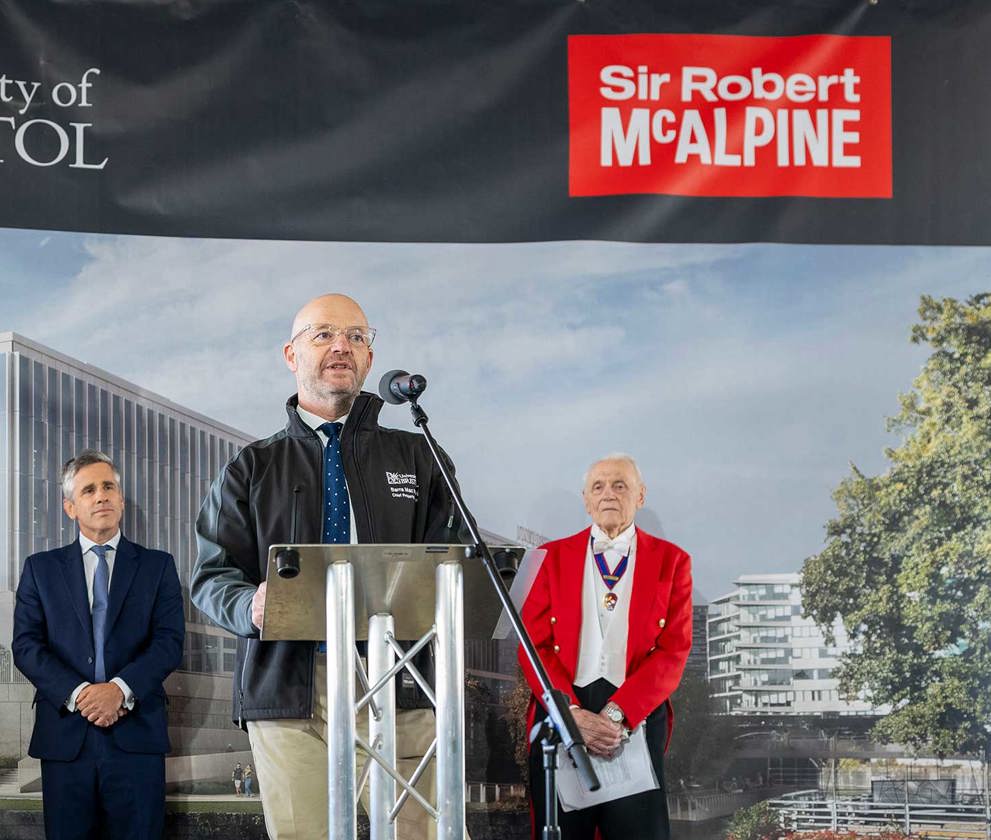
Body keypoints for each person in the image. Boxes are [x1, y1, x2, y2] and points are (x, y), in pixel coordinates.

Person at [192, 293, 462, 840]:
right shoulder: (251, 467)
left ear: (369, 356)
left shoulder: (418, 456)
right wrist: (252, 604)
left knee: (427, 835)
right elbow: (211, 576)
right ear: (291, 355)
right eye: (323, 335)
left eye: (357, 336)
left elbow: (455, 563)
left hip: (400, 681)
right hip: (289, 692)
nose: (342, 346)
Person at [12, 450, 185, 840]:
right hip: (66, 737)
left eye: (109, 486)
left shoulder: (158, 566)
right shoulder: (40, 569)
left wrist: (119, 692)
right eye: (89, 490)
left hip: (136, 733)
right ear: (70, 507)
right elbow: (25, 645)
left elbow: (169, 642)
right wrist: (81, 694)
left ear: (121, 499)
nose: (101, 496)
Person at [518, 454, 692, 840]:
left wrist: (617, 716)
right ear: (586, 499)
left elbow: (674, 650)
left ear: (640, 495)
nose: (609, 494)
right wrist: (571, 713)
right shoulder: (550, 558)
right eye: (598, 487)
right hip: (563, 713)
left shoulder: (673, 561)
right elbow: (533, 645)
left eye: (620, 485)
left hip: (634, 718)